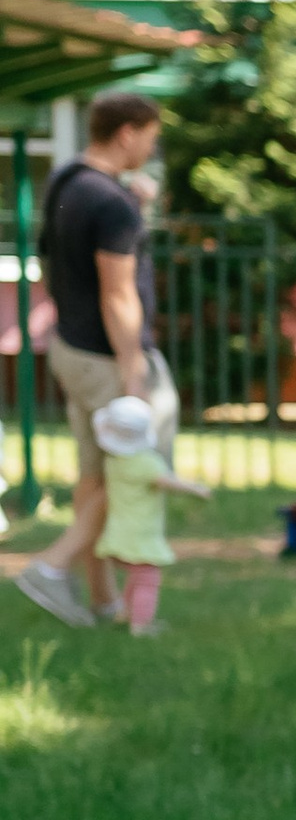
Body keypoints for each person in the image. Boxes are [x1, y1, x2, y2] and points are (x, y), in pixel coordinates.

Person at [18, 89, 171, 631]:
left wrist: (137, 207)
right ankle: (52, 567)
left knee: (95, 476)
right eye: (150, 138)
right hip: (109, 358)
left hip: (72, 347)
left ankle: (104, 600)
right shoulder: (111, 203)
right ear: (127, 133)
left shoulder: (67, 182)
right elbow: (118, 294)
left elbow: (58, 260)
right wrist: (134, 371)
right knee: (132, 475)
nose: (151, 150)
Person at [90, 392, 210, 632]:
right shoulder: (146, 463)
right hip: (140, 535)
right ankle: (141, 625)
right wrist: (196, 489)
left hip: (119, 532)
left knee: (138, 576)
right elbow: (166, 481)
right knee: (148, 578)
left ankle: (125, 615)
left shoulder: (112, 461)